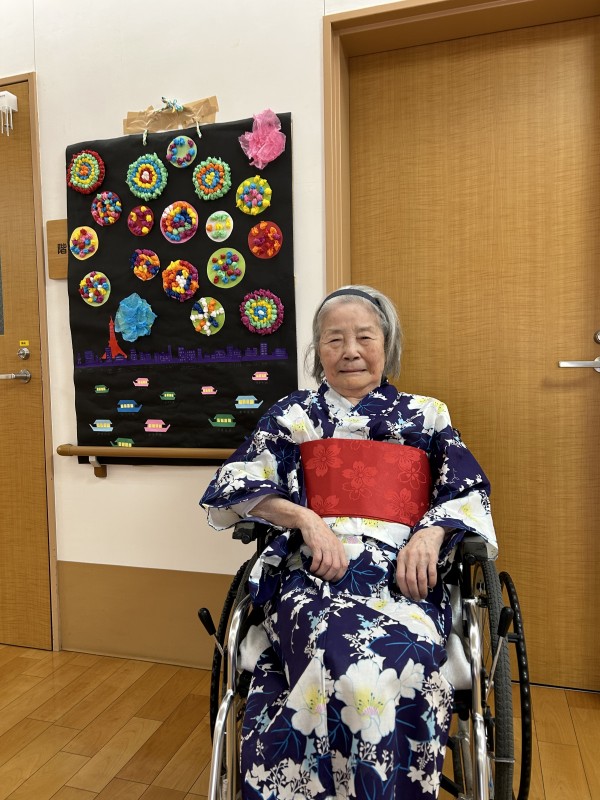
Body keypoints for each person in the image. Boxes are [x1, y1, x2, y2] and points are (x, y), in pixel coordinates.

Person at [200, 285, 496, 800]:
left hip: (404, 572)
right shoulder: (292, 415)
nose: (350, 351)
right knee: (337, 657)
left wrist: (431, 534)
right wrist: (306, 520)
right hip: (311, 569)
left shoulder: (427, 415)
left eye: (364, 337)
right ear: (318, 351)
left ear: (387, 345)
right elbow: (236, 482)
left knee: (401, 659)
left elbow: (467, 490)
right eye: (334, 339)